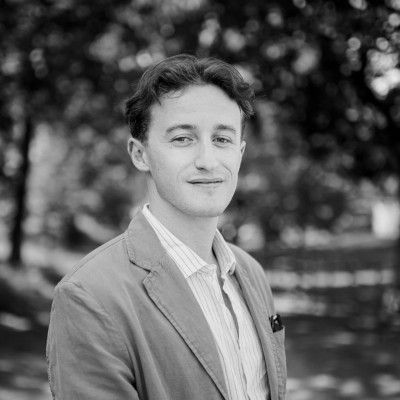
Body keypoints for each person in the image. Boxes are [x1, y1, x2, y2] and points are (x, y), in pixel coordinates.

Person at [46, 54, 287, 400]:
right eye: (182, 139)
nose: (207, 161)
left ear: (240, 152)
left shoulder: (252, 274)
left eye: (222, 139)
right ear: (140, 154)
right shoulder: (89, 296)